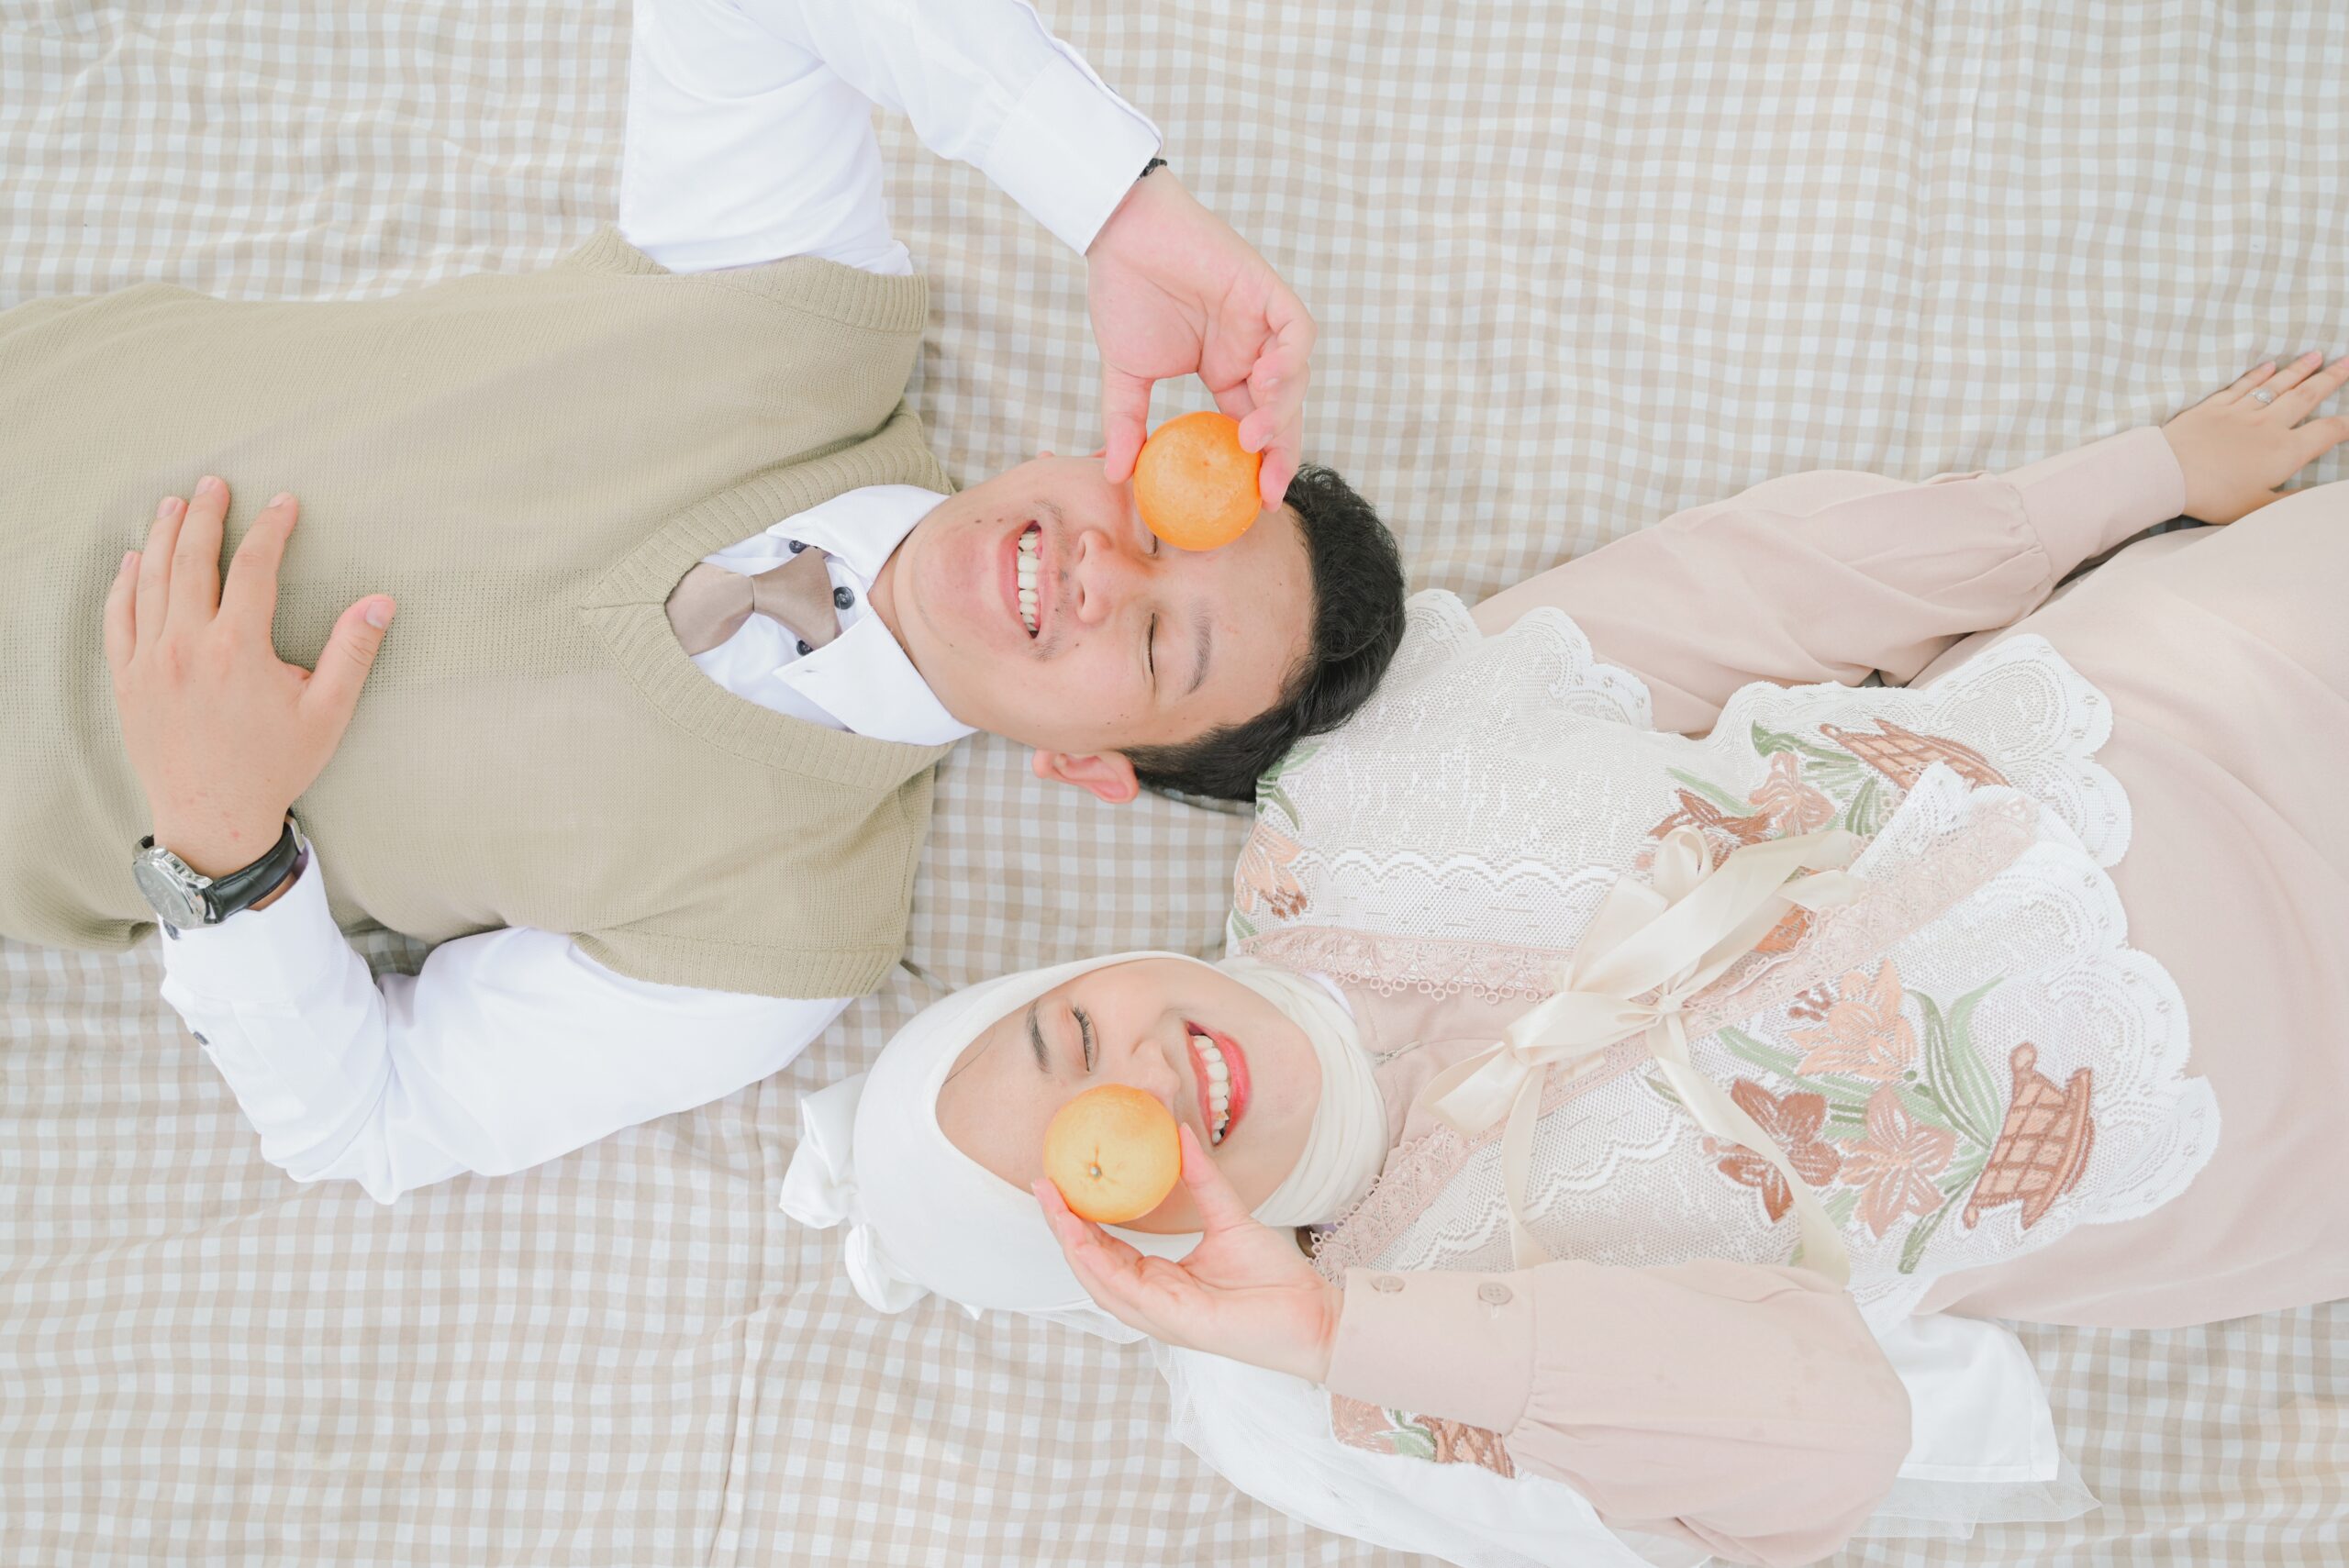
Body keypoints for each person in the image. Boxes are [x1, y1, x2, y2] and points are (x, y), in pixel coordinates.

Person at [781, 360, 2349, 1566]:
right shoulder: (1422, 1355)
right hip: (2267, 1124)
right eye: (1095, 1155)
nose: (1143, 1079)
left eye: (1072, 1031)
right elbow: (1836, 1432)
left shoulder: (1358, 775)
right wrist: (1330, 1331)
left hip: (2196, 694)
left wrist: (2143, 474)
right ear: (1147, 1269)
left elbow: (1769, 586)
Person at [0, 0, 1406, 1202]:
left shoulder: (773, 941)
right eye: (1160, 514)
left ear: (1093, 765)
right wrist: (1117, 201)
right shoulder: (798, 311)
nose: (1108, 569)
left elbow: (367, 1121)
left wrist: (227, 851)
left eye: (1159, 643)